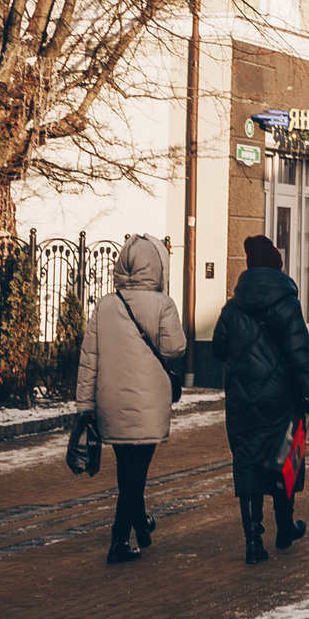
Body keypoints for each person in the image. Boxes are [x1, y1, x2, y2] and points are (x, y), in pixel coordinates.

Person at [75, 233, 187, 566]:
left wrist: (85, 406)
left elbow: (89, 359)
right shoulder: (163, 304)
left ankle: (140, 522)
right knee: (135, 475)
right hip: (148, 406)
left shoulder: (105, 305)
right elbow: (175, 348)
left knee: (127, 469)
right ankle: (119, 540)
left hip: (110, 404)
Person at [216, 234, 309, 564]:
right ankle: (285, 528)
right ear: (277, 268)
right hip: (280, 398)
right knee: (283, 457)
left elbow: (217, 348)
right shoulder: (288, 305)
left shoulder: (232, 308)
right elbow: (299, 352)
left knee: (247, 463)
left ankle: (253, 542)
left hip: (242, 400)